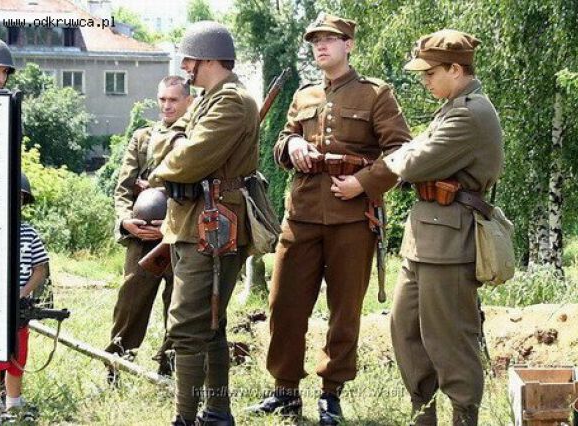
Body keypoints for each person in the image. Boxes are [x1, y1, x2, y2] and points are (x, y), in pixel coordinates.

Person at [249, 12, 411, 425]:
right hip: (301, 215)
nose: (320, 45)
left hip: (353, 219)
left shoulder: (376, 94)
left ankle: (330, 394)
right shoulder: (304, 94)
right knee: (284, 305)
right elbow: (281, 142)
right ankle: (285, 391)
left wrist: (363, 183)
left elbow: (401, 152)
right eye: (315, 40)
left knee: (344, 312)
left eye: (330, 39)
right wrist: (292, 146)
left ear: (348, 45)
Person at [384, 29, 504, 425]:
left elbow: (413, 163)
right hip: (425, 238)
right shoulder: (451, 108)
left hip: (451, 242)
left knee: (451, 342)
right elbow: (414, 154)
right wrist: (408, 154)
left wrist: (402, 158)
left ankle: (463, 418)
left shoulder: (471, 113)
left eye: (430, 73)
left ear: (456, 69)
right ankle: (423, 417)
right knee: (405, 331)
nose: (424, 81)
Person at [148, 21, 259, 426]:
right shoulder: (209, 99)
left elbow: (187, 160)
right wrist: (174, 141)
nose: (185, 68)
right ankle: (216, 413)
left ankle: (185, 418)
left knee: (187, 327)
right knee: (209, 324)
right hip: (194, 222)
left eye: (189, 60)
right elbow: (165, 140)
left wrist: (172, 147)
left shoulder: (232, 102)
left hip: (212, 225)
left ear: (208, 59)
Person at [105, 75, 192, 381]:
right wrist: (125, 220)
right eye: (163, 99)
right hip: (141, 236)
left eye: (174, 100)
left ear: (188, 101)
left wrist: (169, 226)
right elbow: (123, 188)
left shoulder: (197, 137)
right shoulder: (143, 138)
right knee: (130, 302)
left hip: (181, 236)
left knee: (179, 304)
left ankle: (169, 369)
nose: (167, 106)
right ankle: (116, 365)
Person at [0, 173, 50, 420]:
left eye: (19, 198)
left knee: (17, 356)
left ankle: (14, 403)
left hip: (18, 307)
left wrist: (22, 293)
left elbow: (40, 269)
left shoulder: (29, 234)